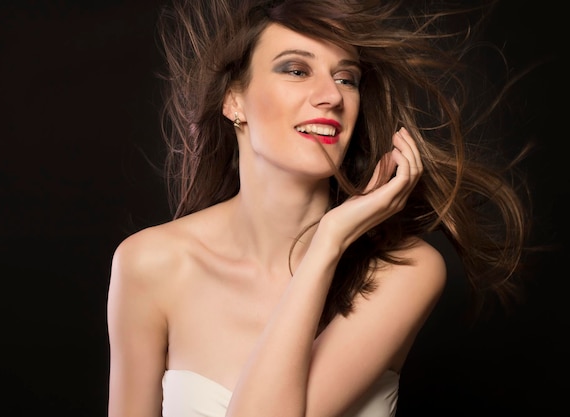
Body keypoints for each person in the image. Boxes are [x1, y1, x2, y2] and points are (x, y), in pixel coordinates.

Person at [106, 0, 532, 416]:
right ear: (234, 101)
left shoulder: (403, 270)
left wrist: (329, 242)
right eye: (296, 70)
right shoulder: (150, 264)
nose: (331, 96)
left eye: (347, 78)